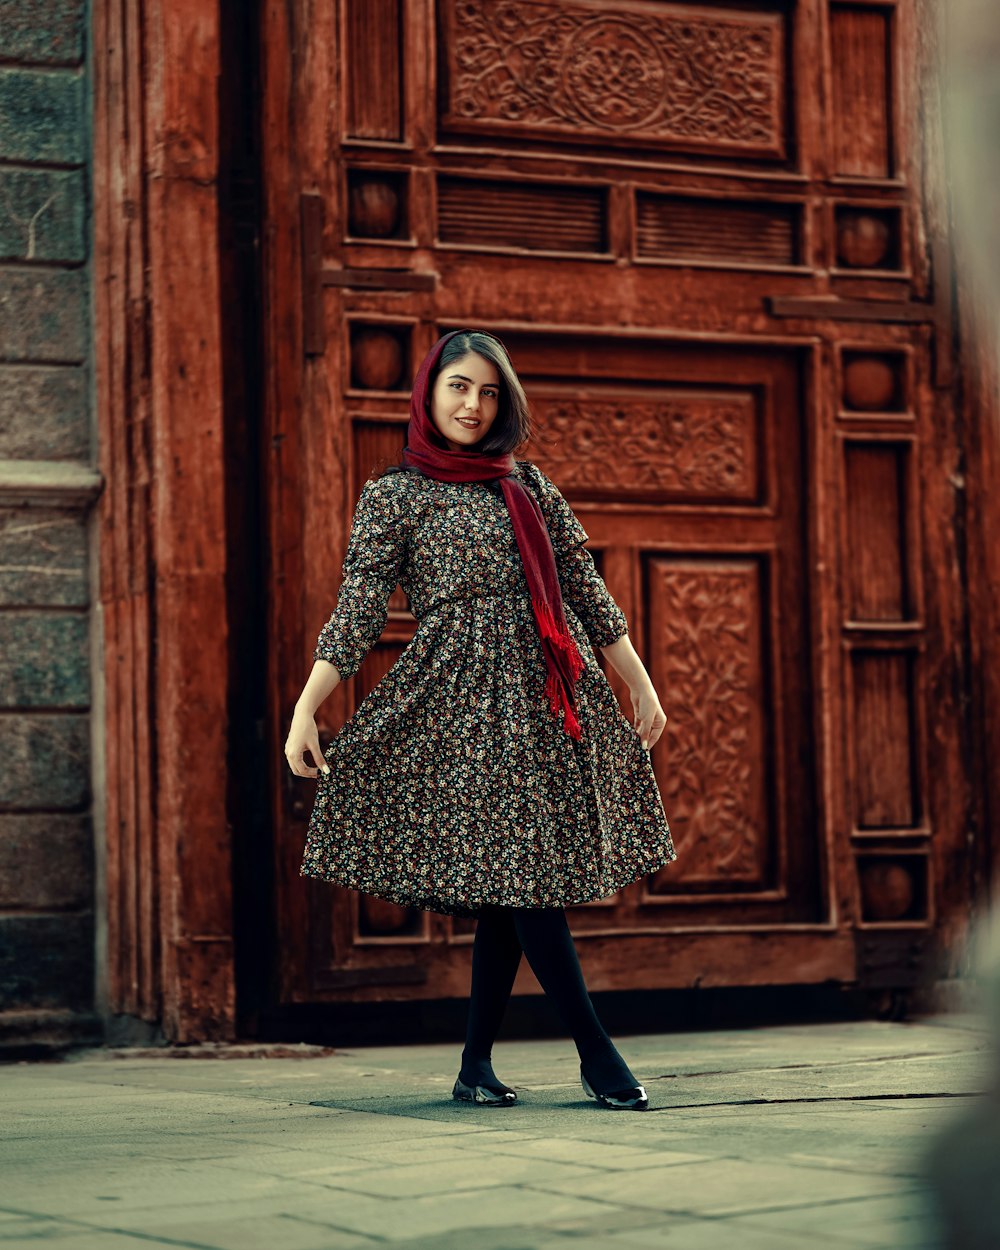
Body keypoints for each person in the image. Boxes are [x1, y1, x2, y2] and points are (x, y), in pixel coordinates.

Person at [285, 329, 676, 1111]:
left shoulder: (528, 486)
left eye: (490, 391)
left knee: (513, 883)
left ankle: (474, 1066)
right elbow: (360, 611)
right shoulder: (395, 495)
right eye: (460, 386)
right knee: (523, 882)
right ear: (429, 393)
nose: (474, 403)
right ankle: (596, 1053)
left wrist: (638, 682)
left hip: (541, 700)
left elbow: (583, 592)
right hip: (456, 707)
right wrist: (306, 707)